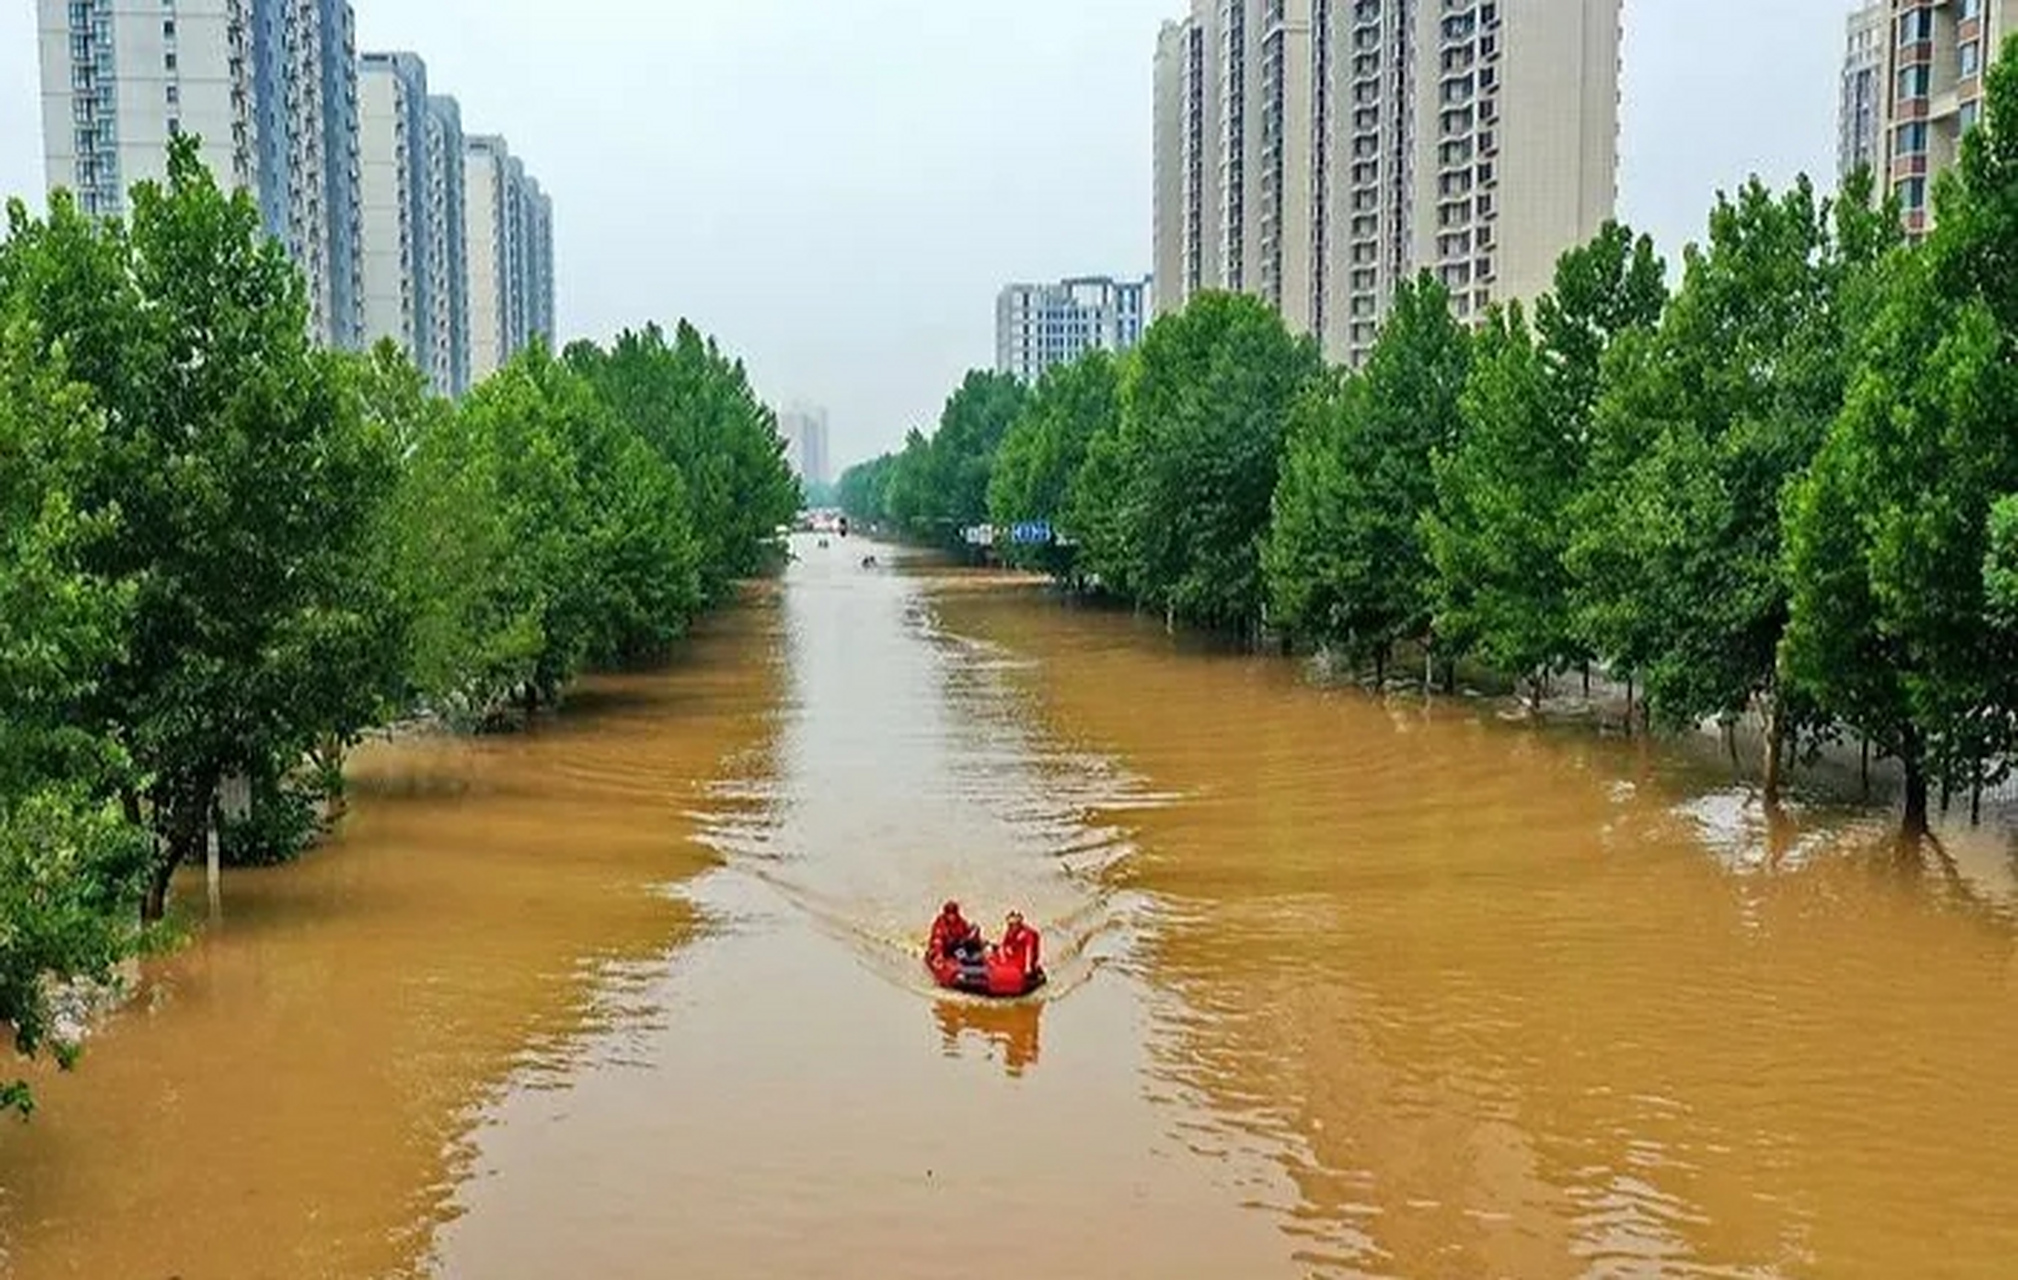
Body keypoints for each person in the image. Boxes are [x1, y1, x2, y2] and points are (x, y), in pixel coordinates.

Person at [995, 910, 1041, 977]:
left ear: (1019, 924)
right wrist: (1002, 956)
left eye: (1013, 924)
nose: (1010, 926)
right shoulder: (1010, 932)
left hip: (1021, 959)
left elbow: (1028, 950)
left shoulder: (1027, 934)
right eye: (1009, 924)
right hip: (1012, 955)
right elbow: (1003, 945)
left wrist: (1027, 967)